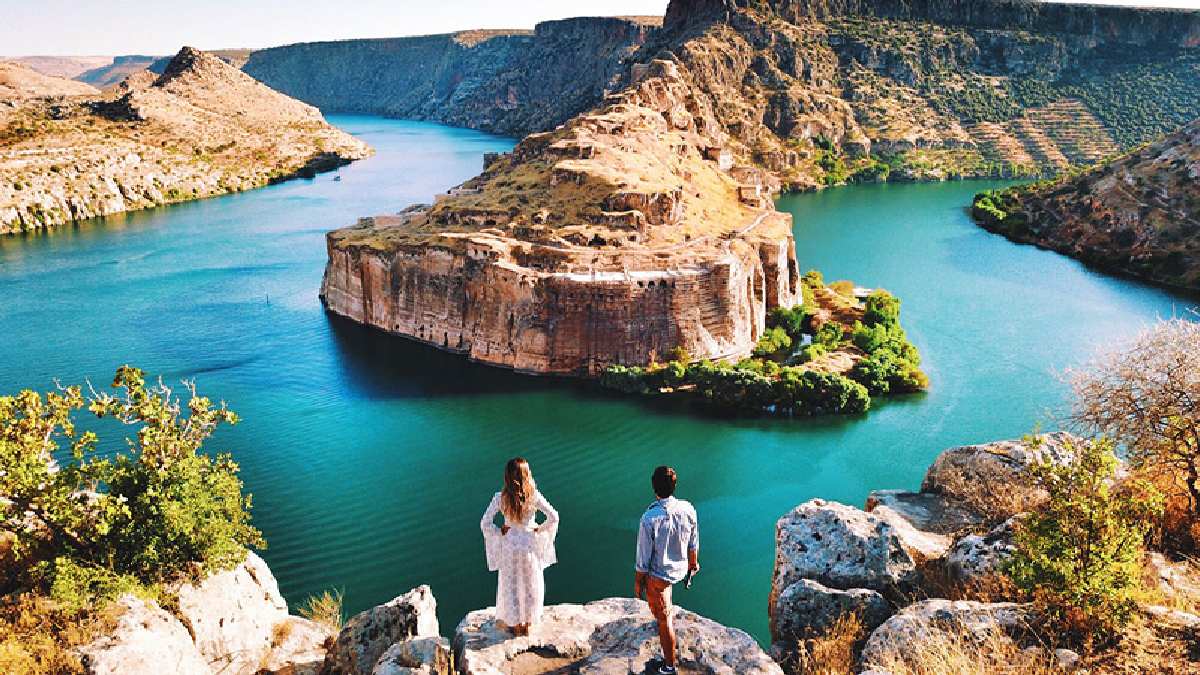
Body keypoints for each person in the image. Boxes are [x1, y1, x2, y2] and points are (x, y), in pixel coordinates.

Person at [480, 457, 559, 636]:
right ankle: (528, 625)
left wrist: (499, 531)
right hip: (529, 544)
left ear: (507, 477)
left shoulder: (500, 498)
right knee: (531, 583)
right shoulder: (534, 497)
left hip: (510, 546)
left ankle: (515, 626)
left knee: (511, 584)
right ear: (527, 475)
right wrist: (539, 529)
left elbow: (484, 524)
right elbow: (554, 517)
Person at [634, 466, 700, 675]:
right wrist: (693, 564)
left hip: (660, 575)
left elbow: (643, 560)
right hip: (680, 569)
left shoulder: (649, 518)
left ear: (654, 488)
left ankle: (669, 666)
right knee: (665, 603)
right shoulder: (688, 508)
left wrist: (638, 583)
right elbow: (693, 543)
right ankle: (665, 612)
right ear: (674, 486)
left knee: (664, 620)